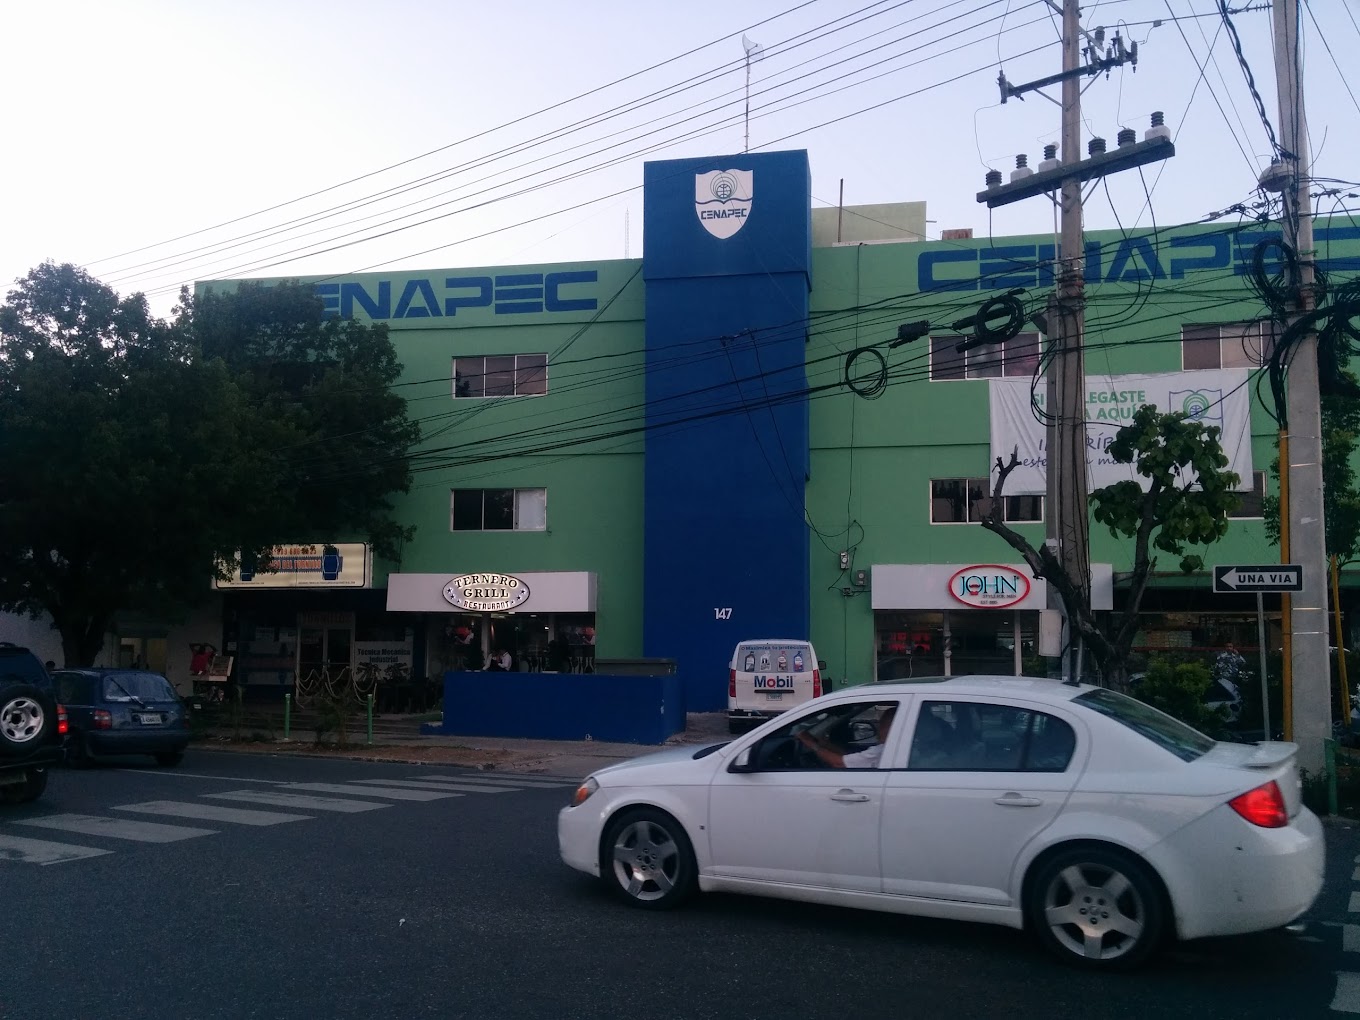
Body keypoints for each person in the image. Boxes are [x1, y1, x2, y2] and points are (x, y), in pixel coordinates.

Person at [795, 706, 897, 769]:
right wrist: (823, 743)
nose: (878, 727)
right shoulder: (894, 749)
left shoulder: (882, 751)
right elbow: (849, 758)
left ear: (894, 727)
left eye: (882, 724)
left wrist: (812, 745)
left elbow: (839, 764)